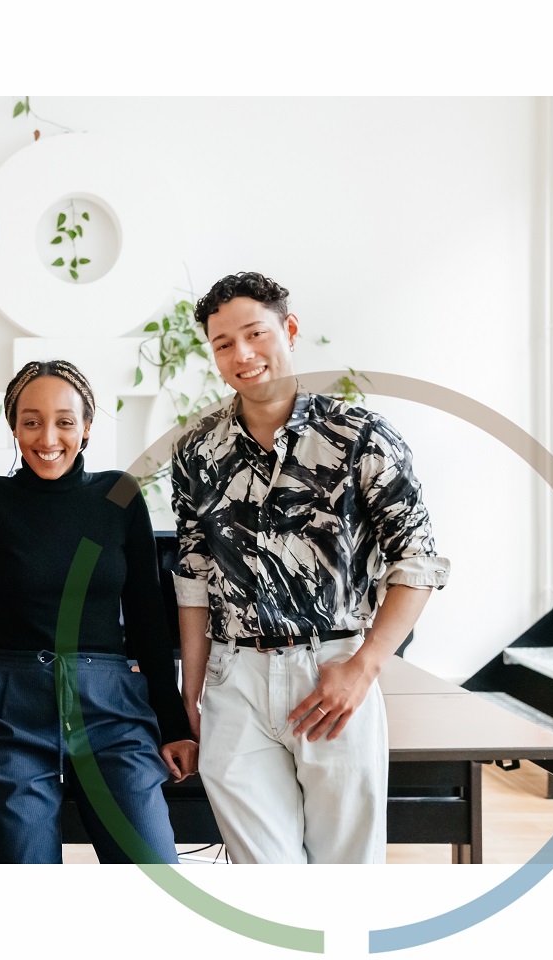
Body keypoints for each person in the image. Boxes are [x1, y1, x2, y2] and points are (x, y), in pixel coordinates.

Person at [171, 272, 451, 864]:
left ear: (289, 330)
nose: (242, 354)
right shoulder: (196, 451)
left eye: (255, 333)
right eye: (224, 343)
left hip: (334, 671)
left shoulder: (360, 437)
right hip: (234, 680)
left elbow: (417, 562)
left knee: (345, 875)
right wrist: (191, 690)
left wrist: (363, 667)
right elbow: (192, 573)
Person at [0, 359, 196, 864]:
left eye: (65, 421)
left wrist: (174, 725)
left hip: (111, 710)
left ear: (86, 427)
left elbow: (147, 621)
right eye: (32, 421)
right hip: (11, 710)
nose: (49, 436)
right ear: (14, 427)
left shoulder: (120, 495)